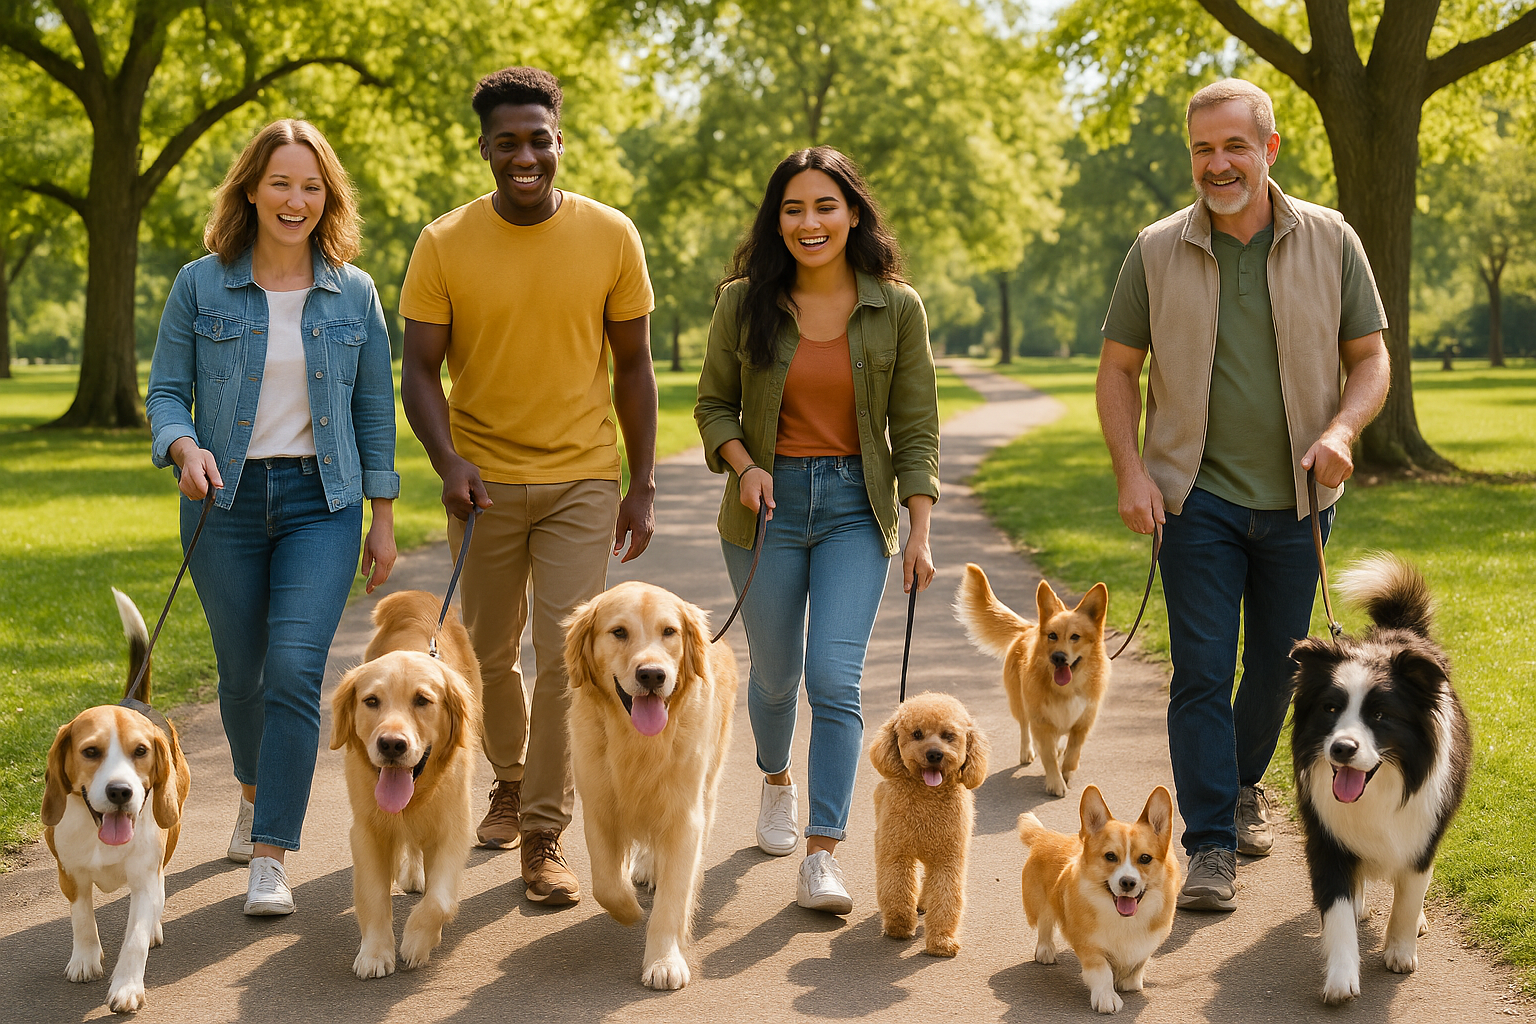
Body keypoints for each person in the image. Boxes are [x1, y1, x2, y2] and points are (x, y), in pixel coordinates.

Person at [1096, 79, 1391, 911]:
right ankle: (1212, 840)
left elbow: (1370, 359)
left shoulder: (1331, 239)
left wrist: (1341, 433)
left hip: (1300, 500)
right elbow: (1118, 370)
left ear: (1268, 149)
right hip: (1196, 500)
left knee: (1277, 666)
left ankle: (1242, 783)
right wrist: (1131, 472)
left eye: (1233, 146)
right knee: (1198, 669)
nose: (1216, 164)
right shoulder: (1155, 249)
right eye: (1201, 148)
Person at [399, 67, 657, 907]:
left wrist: (640, 484)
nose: (524, 156)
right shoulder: (443, 244)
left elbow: (634, 366)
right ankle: (509, 780)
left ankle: (543, 832)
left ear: (560, 142)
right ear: (485, 149)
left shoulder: (611, 235)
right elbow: (421, 371)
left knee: (567, 659)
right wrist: (448, 464)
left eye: (538, 139)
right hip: (481, 482)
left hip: (582, 474)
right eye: (506, 142)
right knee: (488, 652)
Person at [146, 119, 398, 916]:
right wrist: (183, 449)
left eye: (312, 186)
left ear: (329, 199)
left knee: (294, 671)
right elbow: (163, 394)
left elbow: (373, 413)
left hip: (320, 504)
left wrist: (382, 517)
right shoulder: (200, 283)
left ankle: (270, 853)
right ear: (251, 189)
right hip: (219, 501)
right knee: (243, 675)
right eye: (282, 183)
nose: (297, 200)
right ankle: (254, 791)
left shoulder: (353, 292)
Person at [695, 146, 940, 914]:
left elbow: (917, 427)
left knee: (835, 681)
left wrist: (920, 529)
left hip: (853, 512)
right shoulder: (743, 302)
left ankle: (823, 853)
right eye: (793, 208)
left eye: (825, 206)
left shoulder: (896, 308)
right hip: (763, 510)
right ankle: (775, 780)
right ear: (777, 220)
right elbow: (713, 407)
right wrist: (744, 465)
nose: (810, 222)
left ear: (854, 213)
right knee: (774, 678)